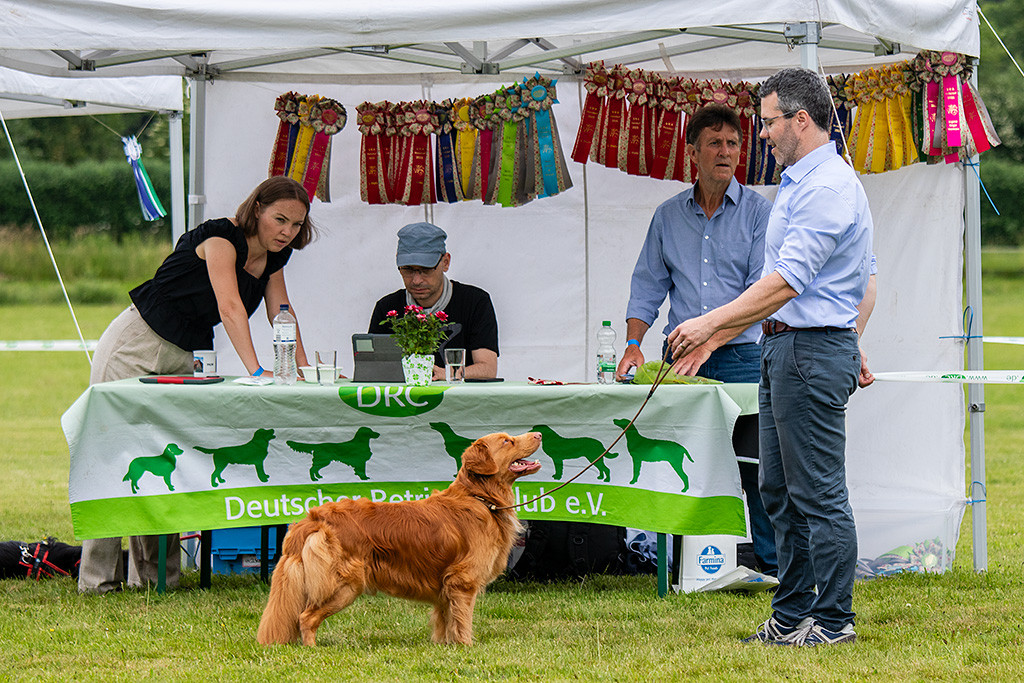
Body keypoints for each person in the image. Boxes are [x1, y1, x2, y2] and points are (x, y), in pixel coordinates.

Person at [668, 68, 877, 647]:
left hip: (809, 349)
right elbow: (779, 282)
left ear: (801, 120)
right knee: (779, 493)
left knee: (819, 494)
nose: (761, 134)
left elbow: (787, 280)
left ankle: (834, 623)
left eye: (768, 122)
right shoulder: (798, 183)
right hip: (783, 347)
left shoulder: (828, 187)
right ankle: (790, 617)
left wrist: (710, 321)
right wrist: (716, 338)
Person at [78, 175, 316, 594]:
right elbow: (230, 307)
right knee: (114, 455)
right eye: (280, 220)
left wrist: (303, 370)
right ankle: (97, 579)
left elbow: (283, 313)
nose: (287, 232)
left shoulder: (277, 258)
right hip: (137, 344)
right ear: (256, 208)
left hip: (189, 354)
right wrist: (259, 373)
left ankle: (155, 580)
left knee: (163, 458)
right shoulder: (220, 237)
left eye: (296, 225)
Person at [616, 104, 777, 576]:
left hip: (744, 356)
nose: (725, 152)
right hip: (680, 358)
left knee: (755, 466)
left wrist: (711, 340)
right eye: (714, 143)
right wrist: (632, 344)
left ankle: (771, 567)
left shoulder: (759, 213)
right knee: (678, 463)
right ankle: (680, 565)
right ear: (693, 153)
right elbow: (646, 285)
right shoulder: (668, 216)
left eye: (732, 144)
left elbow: (759, 295)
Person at [368, 222, 498, 380]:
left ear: (445, 262)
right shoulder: (387, 308)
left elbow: (488, 369)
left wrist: (449, 374)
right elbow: (371, 369)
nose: (416, 280)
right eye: (407, 269)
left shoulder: (476, 302)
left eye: (426, 269)